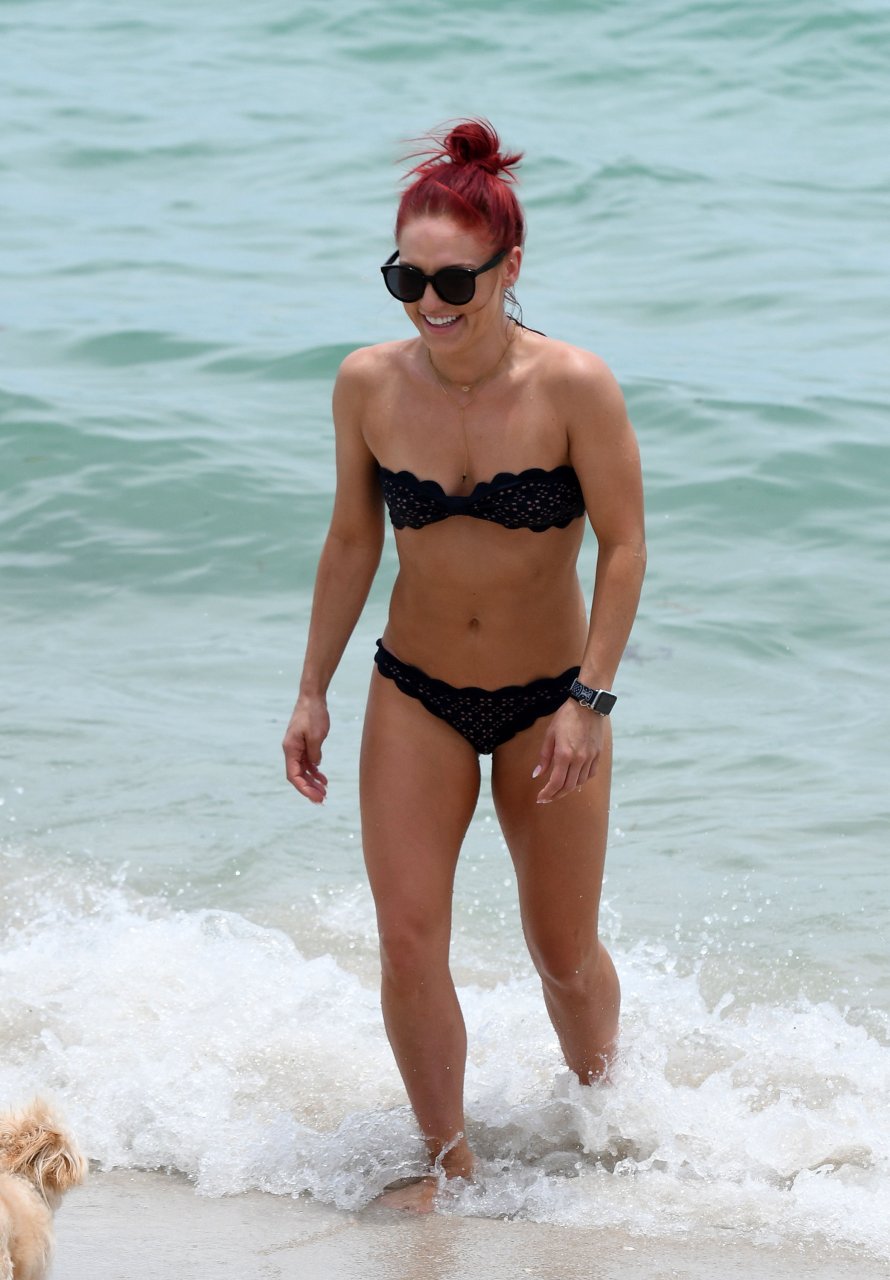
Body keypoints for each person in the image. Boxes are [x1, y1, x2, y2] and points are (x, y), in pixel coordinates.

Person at [283, 118, 646, 1212]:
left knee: (562, 953)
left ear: (508, 267)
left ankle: (609, 1125)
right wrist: (311, 688)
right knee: (406, 940)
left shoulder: (574, 385)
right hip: (416, 692)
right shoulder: (367, 384)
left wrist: (589, 699)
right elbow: (352, 540)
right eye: (408, 278)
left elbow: (625, 546)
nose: (429, 302)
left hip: (549, 703)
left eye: (453, 280)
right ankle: (447, 1164)